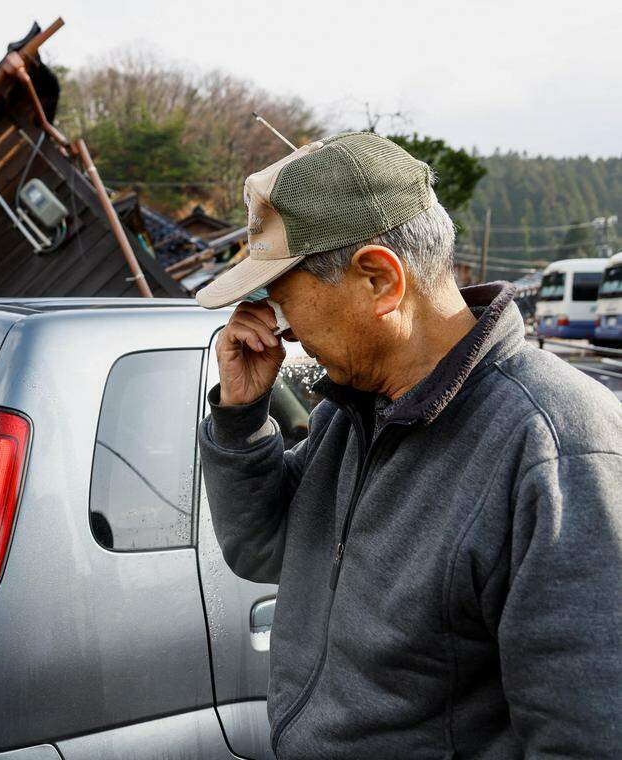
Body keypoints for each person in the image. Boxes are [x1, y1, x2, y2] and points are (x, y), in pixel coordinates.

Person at [195, 132, 622, 758]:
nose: (282, 331)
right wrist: (240, 416)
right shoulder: (355, 412)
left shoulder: (556, 446)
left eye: (284, 302)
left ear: (379, 280)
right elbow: (262, 547)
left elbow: (588, 734)